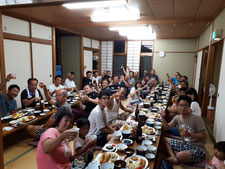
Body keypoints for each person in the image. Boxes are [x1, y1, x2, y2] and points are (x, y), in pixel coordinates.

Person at [162, 95, 207, 165]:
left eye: (186, 105)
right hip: (185, 144)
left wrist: (190, 135)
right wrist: (162, 118)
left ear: (189, 107)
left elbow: (204, 136)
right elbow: (167, 127)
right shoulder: (177, 118)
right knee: (164, 139)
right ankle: (173, 157)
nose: (183, 107)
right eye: (181, 105)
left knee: (180, 155)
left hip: (197, 147)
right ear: (177, 105)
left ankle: (177, 157)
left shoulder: (197, 119)